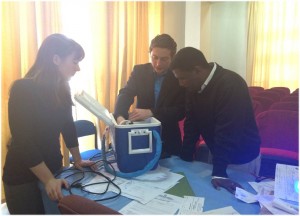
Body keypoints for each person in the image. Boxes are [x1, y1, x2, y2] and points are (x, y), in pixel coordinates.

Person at [2, 33, 94, 214]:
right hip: (23, 176)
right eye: (75, 61)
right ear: (56, 59)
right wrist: (48, 180)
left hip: (53, 168)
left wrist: (77, 159)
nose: (78, 68)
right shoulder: (22, 88)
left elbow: (68, 126)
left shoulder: (62, 88)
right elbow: (23, 140)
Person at [170, 47, 261, 194]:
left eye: (183, 78)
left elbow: (227, 132)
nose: (181, 84)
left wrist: (219, 172)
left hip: (241, 157)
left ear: (197, 70)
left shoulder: (231, 84)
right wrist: (185, 159)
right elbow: (191, 124)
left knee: (237, 203)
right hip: (219, 153)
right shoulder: (194, 87)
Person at [114, 34, 185, 158]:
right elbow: (126, 93)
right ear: (150, 53)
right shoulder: (140, 71)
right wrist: (119, 116)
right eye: (154, 57)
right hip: (141, 135)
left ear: (172, 57)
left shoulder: (179, 76)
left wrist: (152, 112)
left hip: (169, 139)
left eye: (164, 59)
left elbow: (181, 110)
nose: (158, 64)